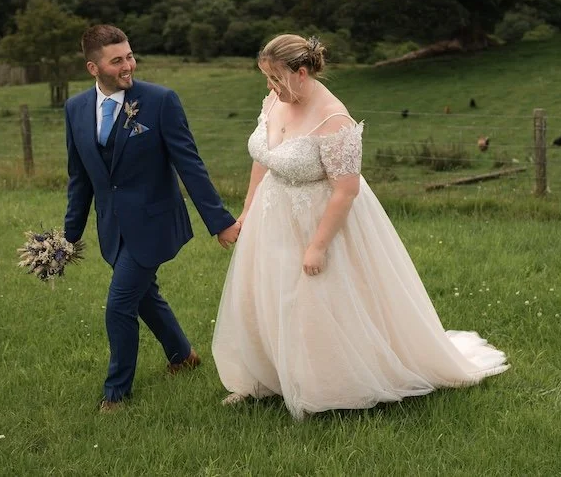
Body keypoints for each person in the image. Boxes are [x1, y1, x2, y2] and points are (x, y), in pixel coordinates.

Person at [212, 34, 509, 420]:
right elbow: (263, 156)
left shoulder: (335, 120)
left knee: (312, 301)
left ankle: (325, 383)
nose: (270, 88)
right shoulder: (275, 100)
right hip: (273, 215)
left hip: (320, 220)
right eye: (266, 79)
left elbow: (346, 190)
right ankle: (266, 376)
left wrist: (318, 245)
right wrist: (248, 211)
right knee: (267, 293)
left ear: (301, 73)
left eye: (276, 79)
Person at [63, 24, 242, 411]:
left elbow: (189, 165)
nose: (128, 65)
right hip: (113, 226)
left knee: (120, 304)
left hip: (155, 222)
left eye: (129, 55)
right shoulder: (75, 108)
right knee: (145, 296)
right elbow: (80, 179)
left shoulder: (160, 101)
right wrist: (67, 238)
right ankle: (182, 355)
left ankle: (116, 395)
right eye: (117, 60)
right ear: (93, 68)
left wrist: (221, 221)